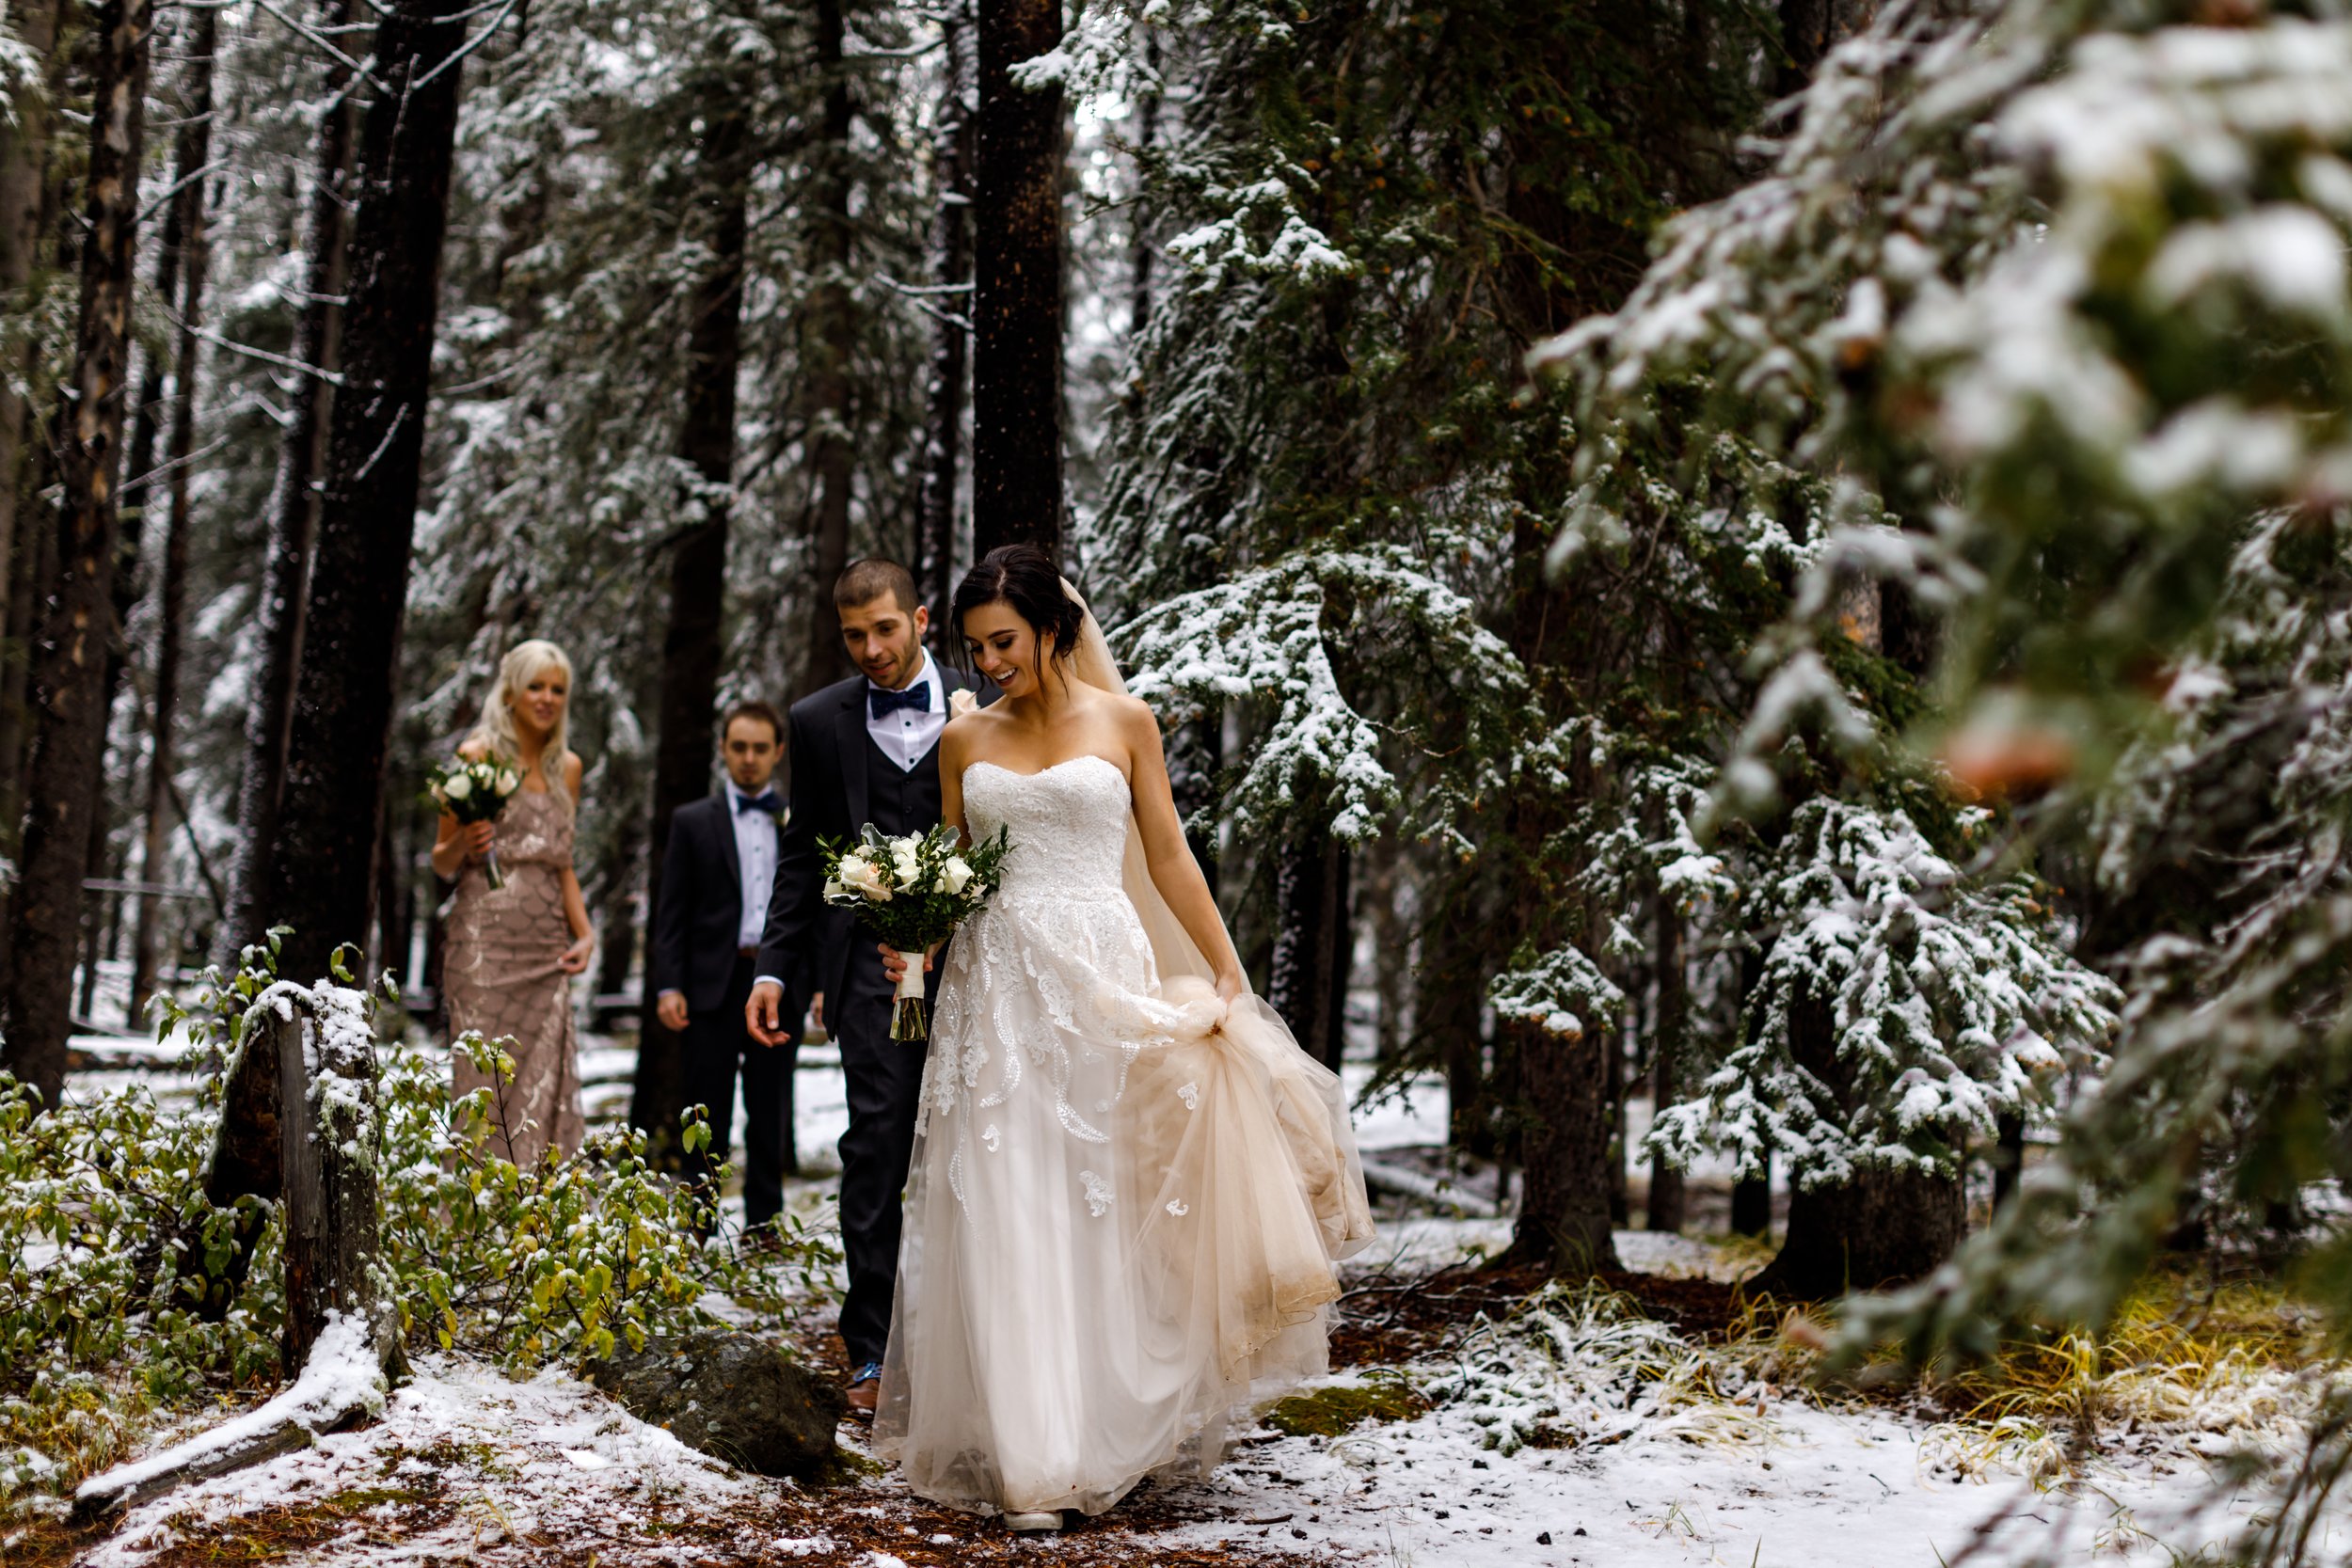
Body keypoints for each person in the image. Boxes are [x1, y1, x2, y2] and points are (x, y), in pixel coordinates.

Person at [871, 545, 1375, 1529]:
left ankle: (1111, 1422)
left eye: (1004, 641)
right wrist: (912, 935)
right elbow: (955, 869)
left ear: (1052, 627)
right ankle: (1037, 1460)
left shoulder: (1125, 721)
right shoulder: (963, 741)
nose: (988, 664)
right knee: (1011, 1200)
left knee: (1104, 1197)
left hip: (1103, 974)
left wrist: (1224, 965)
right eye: (974, 648)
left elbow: (1167, 851)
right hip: (997, 991)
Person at [746, 559, 993, 1416]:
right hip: (865, 973)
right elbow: (801, 850)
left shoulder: (986, 700)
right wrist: (777, 965)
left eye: (885, 628)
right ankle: (871, 1349)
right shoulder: (817, 721)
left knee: (983, 1147)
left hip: (981, 964)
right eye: (854, 635)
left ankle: (978, 1344)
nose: (872, 648)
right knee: (875, 1147)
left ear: (919, 618)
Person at [432, 639, 596, 1166]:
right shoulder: (476, 757)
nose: (547, 698)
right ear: (511, 693)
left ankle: (538, 1226)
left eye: (557, 690)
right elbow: (440, 860)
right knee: (483, 1086)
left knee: (545, 1082)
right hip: (484, 949)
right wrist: (467, 840)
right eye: (536, 687)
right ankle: (477, 1224)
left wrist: (586, 932)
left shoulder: (567, 767)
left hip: (545, 947)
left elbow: (561, 862)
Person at [648, 700, 801, 1237]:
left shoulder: (798, 819)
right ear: (723, 750)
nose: (750, 759)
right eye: (739, 747)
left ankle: (763, 1228)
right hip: (712, 984)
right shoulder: (693, 822)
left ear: (779, 751)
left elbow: (814, 906)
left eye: (761, 748)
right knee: (705, 1112)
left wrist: (820, 984)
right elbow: (672, 912)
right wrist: (668, 984)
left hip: (779, 983)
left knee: (769, 1111)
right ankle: (698, 1226)